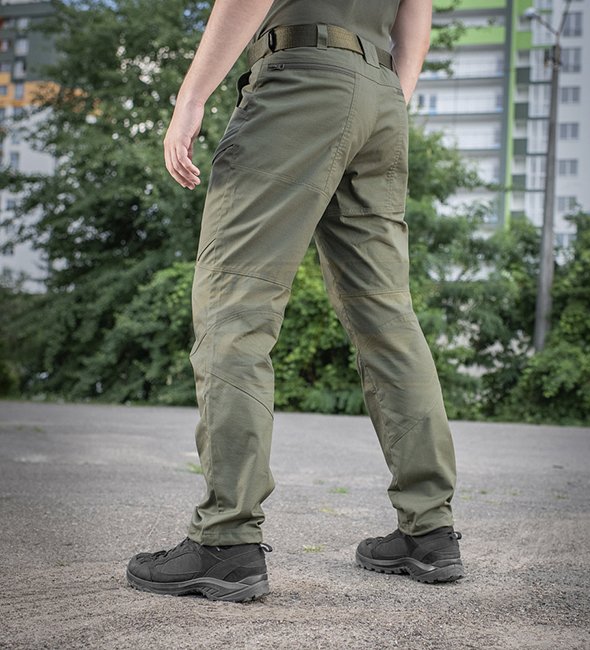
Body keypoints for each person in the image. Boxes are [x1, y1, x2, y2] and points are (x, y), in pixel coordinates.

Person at [126, 0, 463, 603]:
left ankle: (226, 540)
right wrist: (390, 94)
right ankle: (430, 530)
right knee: (386, 315)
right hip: (382, 96)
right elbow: (417, 13)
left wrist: (190, 97)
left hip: (301, 81)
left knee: (235, 304)